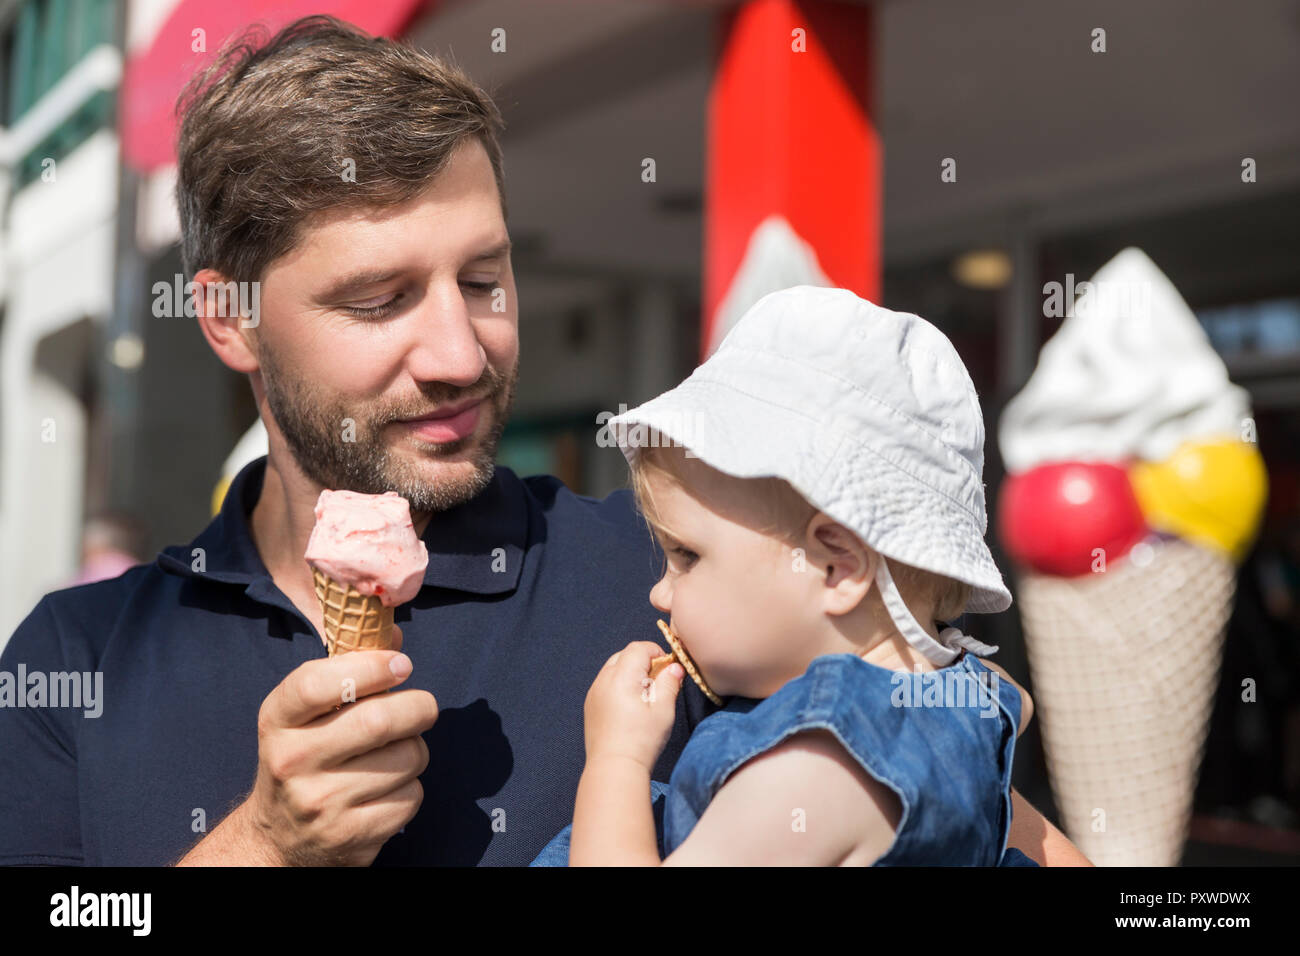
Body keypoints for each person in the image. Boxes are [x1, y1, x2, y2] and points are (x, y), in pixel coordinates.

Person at [0, 16, 1086, 866]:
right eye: (379, 301)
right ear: (229, 317)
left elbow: (997, 828)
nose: (462, 355)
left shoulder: (675, 583)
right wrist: (264, 844)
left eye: (484, 280)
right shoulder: (76, 658)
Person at [534, 286, 1061, 865]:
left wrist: (617, 761)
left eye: (686, 555)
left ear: (837, 567)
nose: (660, 591)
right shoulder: (966, 709)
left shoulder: (816, 772)